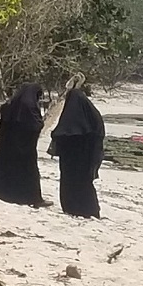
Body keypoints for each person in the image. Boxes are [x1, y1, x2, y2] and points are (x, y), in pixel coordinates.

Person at [0, 83, 53, 208]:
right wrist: (42, 123)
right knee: (28, 173)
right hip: (24, 149)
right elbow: (34, 126)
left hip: (6, 147)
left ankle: (4, 194)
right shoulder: (29, 106)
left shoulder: (10, 105)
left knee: (8, 171)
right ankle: (33, 199)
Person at [50, 88, 105, 218]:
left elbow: (59, 133)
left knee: (70, 182)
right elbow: (99, 133)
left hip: (70, 158)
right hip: (87, 156)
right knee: (84, 182)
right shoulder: (92, 113)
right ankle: (90, 209)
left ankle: (71, 207)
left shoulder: (69, 116)